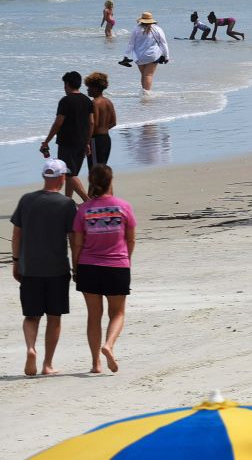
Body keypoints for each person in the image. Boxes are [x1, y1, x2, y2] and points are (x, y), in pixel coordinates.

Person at [11, 159, 79, 376]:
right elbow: (73, 239)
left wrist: (15, 261)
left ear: (44, 177)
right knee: (54, 317)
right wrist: (76, 266)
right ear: (62, 178)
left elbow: (16, 234)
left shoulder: (27, 200)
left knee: (31, 316)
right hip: (57, 268)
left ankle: (31, 348)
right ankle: (47, 364)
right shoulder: (67, 204)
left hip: (30, 268)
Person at [72, 165, 135, 374]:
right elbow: (130, 238)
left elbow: (77, 243)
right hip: (117, 265)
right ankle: (108, 344)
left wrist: (76, 267)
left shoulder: (84, 210)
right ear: (111, 181)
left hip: (89, 266)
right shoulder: (123, 206)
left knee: (94, 315)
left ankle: (95, 363)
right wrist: (126, 259)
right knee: (117, 312)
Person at [40, 71, 93, 202]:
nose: (64, 87)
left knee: (69, 174)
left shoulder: (65, 101)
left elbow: (58, 123)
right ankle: (68, 201)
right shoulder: (87, 100)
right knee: (71, 173)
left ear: (67, 84)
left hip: (67, 142)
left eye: (64, 84)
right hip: (81, 142)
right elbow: (91, 122)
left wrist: (46, 141)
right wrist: (87, 142)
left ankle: (88, 202)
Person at [119, 12, 170, 93]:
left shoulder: (136, 29)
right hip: (153, 55)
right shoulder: (158, 29)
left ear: (142, 20)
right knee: (148, 75)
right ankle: (147, 95)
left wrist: (126, 56)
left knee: (144, 75)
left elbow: (131, 44)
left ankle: (144, 94)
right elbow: (164, 43)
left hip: (139, 56)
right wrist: (166, 56)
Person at [84, 72, 116, 169]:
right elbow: (113, 122)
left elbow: (94, 123)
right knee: (102, 169)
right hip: (106, 139)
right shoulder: (108, 102)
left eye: (89, 87)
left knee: (94, 172)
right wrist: (104, 129)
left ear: (95, 88)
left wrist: (87, 142)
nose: (87, 89)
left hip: (95, 140)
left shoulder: (94, 102)